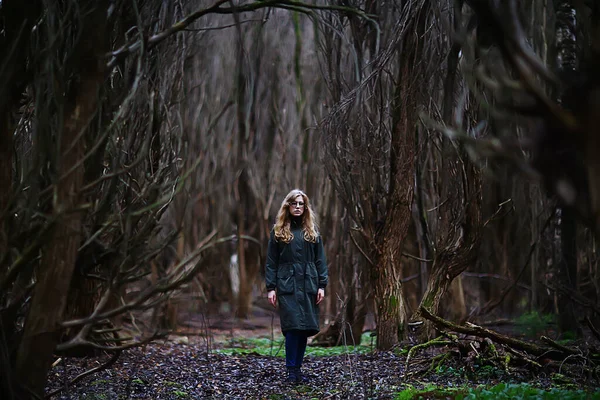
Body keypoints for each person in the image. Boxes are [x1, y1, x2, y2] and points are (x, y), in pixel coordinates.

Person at [265, 189, 328, 384]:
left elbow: (320, 261)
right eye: (294, 203)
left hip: (309, 284)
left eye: (301, 204)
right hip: (287, 286)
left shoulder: (312, 232)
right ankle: (291, 371)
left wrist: (322, 285)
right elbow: (271, 262)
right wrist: (271, 288)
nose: (298, 207)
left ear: (305, 207)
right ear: (288, 206)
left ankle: (298, 370)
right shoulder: (278, 232)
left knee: (304, 329)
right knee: (292, 328)